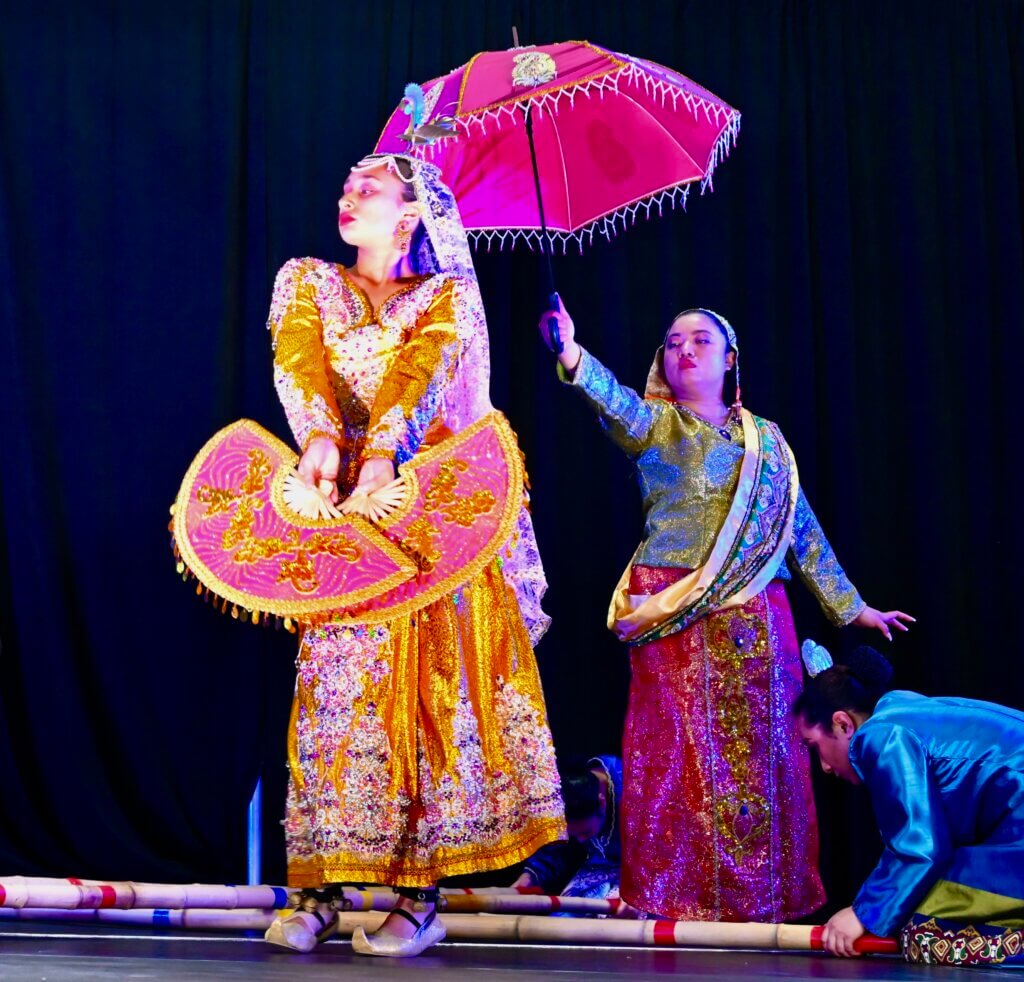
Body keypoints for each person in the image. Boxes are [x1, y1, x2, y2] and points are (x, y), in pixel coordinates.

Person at [265, 153, 564, 957]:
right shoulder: (307, 279)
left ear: (410, 215)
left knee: (424, 691)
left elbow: (420, 373)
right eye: (344, 182)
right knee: (332, 692)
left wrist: (383, 454)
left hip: (420, 509)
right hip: (338, 510)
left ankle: (417, 899)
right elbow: (299, 362)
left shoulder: (446, 295)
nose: (347, 193)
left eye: (369, 185)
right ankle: (319, 889)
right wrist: (324, 443)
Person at [537, 302, 912, 922]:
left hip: (761, 616)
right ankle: (673, 901)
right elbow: (610, 401)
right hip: (674, 611)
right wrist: (571, 353)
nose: (684, 349)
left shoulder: (769, 444)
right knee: (678, 751)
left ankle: (766, 899)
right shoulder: (654, 423)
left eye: (701, 340)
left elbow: (802, 530)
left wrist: (853, 608)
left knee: (770, 751)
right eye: (673, 341)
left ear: (730, 359)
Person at [794, 646, 1024, 967]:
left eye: (814, 746)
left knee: (922, 933)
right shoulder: (896, 709)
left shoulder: (881, 737)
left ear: (843, 724)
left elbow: (921, 847)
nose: (825, 768)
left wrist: (862, 914)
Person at [515, 755, 623, 898]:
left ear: (602, 804)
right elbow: (556, 847)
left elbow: (660, 855)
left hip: (647, 874)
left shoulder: (638, 793)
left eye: (586, 832)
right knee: (562, 918)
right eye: (573, 835)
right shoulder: (564, 796)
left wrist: (640, 897)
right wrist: (528, 878)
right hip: (598, 871)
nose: (581, 840)